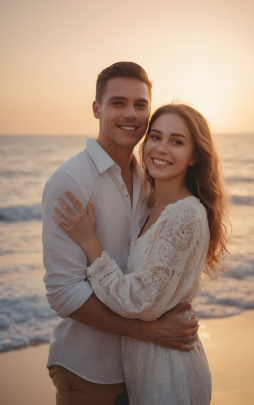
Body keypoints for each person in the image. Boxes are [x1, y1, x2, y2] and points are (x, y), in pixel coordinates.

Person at [42, 63, 199, 405]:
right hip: (89, 371)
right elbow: (64, 293)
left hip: (144, 370)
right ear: (97, 108)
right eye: (118, 103)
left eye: (140, 105)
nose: (131, 113)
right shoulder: (71, 182)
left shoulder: (147, 179)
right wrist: (151, 332)